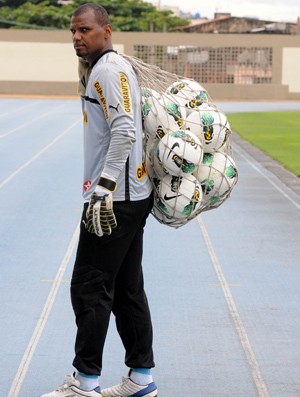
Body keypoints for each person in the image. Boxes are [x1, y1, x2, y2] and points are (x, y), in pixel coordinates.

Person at [40, 3, 157, 397]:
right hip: (129, 197)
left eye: (85, 30)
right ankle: (141, 379)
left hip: (115, 201)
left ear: (106, 31)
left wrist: (103, 189)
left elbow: (124, 130)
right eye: (73, 31)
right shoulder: (108, 67)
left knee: (89, 288)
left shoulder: (107, 70)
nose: (77, 37)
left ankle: (84, 382)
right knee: (126, 289)